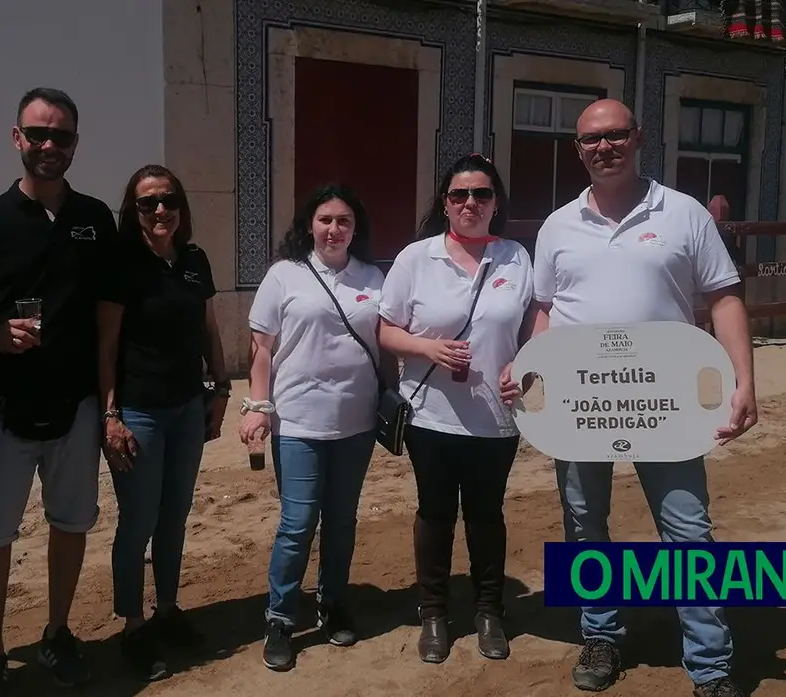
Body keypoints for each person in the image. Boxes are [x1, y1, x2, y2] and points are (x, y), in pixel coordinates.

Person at [501, 99, 758, 697]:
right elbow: (546, 310)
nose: (603, 147)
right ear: (578, 148)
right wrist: (529, 362)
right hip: (580, 402)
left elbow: (723, 297)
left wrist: (745, 379)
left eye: (615, 136)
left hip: (663, 401)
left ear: (637, 138)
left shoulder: (684, 213)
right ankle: (600, 633)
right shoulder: (557, 225)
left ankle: (711, 667)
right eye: (591, 139)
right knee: (585, 525)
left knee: (688, 531)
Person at [0, 87, 119, 696]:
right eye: (37, 134)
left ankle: (58, 633)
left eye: (61, 136)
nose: (48, 145)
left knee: (71, 525)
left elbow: (108, 314)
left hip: (75, 406)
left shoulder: (95, 219)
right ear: (16, 138)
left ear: (74, 144)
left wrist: (109, 404)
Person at [378, 154, 534, 664]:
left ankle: (490, 610)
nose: (470, 203)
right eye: (459, 194)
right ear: (445, 203)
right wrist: (428, 349)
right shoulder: (416, 258)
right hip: (432, 416)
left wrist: (528, 367)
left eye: (482, 194)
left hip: (496, 418)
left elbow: (535, 323)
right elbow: (385, 330)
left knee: (487, 515)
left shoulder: (516, 257)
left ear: (495, 203)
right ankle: (434, 612)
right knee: (436, 513)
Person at [240, 183, 392, 671]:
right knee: (297, 523)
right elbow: (261, 349)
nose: (334, 229)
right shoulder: (284, 276)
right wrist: (257, 405)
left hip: (356, 421)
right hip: (299, 421)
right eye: (325, 219)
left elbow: (390, 340)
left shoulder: (373, 277)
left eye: (344, 221)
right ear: (310, 224)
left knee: (342, 520)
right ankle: (281, 618)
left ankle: (332, 602)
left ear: (355, 228)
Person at [96, 164, 231, 681]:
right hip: (140, 413)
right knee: (138, 522)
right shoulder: (122, 264)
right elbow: (106, 346)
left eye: (168, 199)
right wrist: (110, 415)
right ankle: (132, 627)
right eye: (147, 202)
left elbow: (211, 331)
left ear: (181, 206)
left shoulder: (194, 261)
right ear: (132, 210)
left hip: (187, 410)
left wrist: (220, 390)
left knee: (174, 518)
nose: (159, 210)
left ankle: (168, 611)